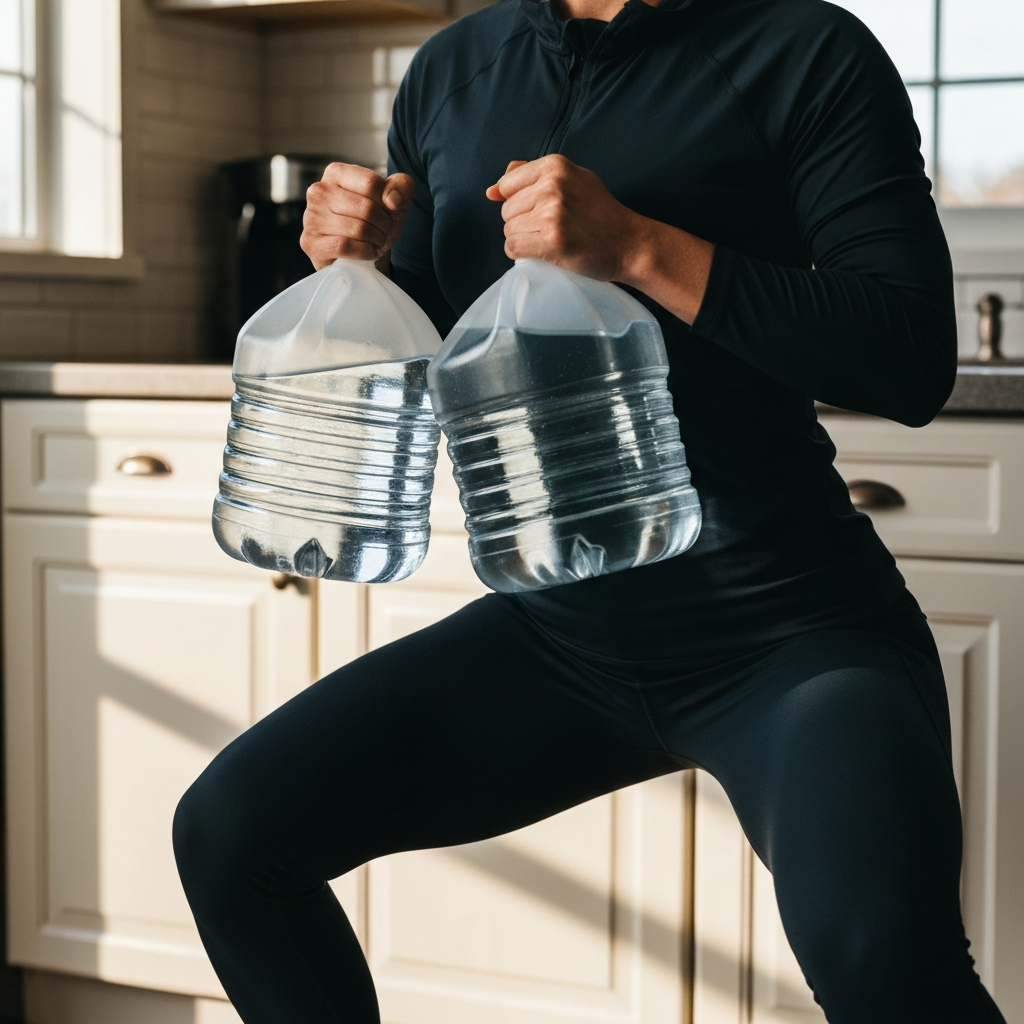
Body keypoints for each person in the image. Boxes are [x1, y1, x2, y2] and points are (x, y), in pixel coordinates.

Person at [173, 0, 1008, 1020]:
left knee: (888, 967)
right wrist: (362, 269)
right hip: (558, 630)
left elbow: (910, 355)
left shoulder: (804, 51)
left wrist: (640, 247)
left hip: (789, 633)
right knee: (232, 836)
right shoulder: (452, 70)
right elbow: (459, 346)